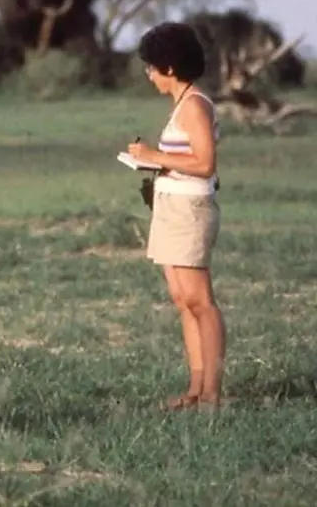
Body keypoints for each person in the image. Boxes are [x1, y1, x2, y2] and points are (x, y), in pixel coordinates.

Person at [127, 21, 226, 411]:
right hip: (171, 207)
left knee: (201, 301)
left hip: (191, 210)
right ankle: (195, 388)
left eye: (151, 67)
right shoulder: (182, 103)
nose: (149, 75)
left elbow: (204, 162)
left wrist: (154, 157)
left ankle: (213, 393)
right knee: (183, 300)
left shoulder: (196, 104)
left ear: (169, 67)